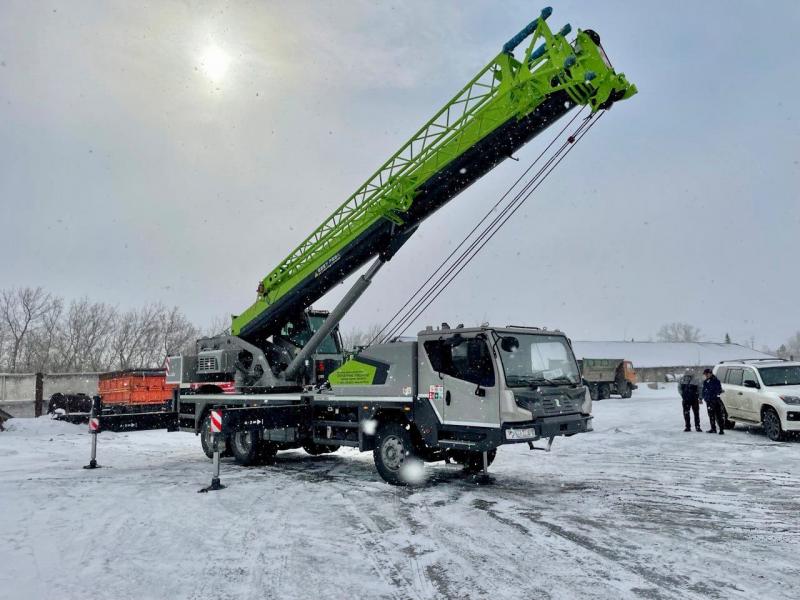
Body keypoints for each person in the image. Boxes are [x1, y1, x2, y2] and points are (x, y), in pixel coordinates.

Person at [702, 368, 725, 435]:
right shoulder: (705, 382)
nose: (706, 375)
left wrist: (715, 395)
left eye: (707, 374)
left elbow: (719, 390)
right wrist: (705, 398)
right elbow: (703, 391)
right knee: (711, 415)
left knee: (718, 415)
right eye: (705, 374)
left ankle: (721, 429)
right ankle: (713, 428)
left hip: (715, 401)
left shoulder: (716, 381)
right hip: (709, 401)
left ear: (710, 373)